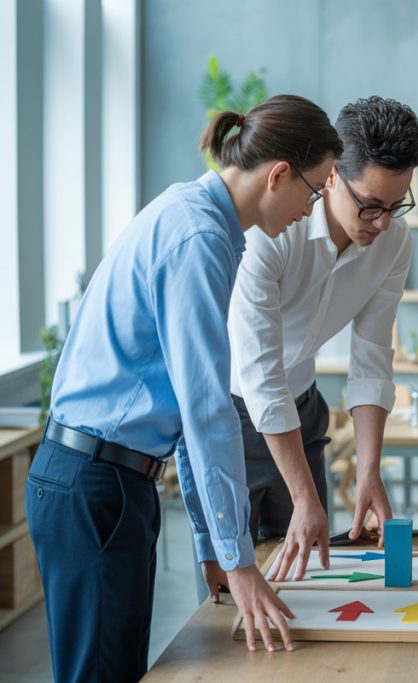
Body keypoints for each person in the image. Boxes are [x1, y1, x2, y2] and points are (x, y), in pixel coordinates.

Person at [26, 94, 342, 681]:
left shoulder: (192, 213)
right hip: (98, 484)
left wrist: (212, 543)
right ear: (278, 175)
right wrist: (241, 562)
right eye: (316, 189)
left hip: (107, 480)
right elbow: (206, 414)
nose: (313, 208)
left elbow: (186, 412)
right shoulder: (199, 238)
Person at [197, 97, 418, 594]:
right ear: (329, 176)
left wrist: (369, 472)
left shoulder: (394, 243)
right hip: (231, 417)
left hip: (300, 411)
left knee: (307, 584)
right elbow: (259, 373)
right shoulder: (272, 231)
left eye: (396, 205)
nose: (382, 222)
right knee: (229, 595)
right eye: (370, 203)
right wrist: (305, 495)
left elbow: (371, 358)